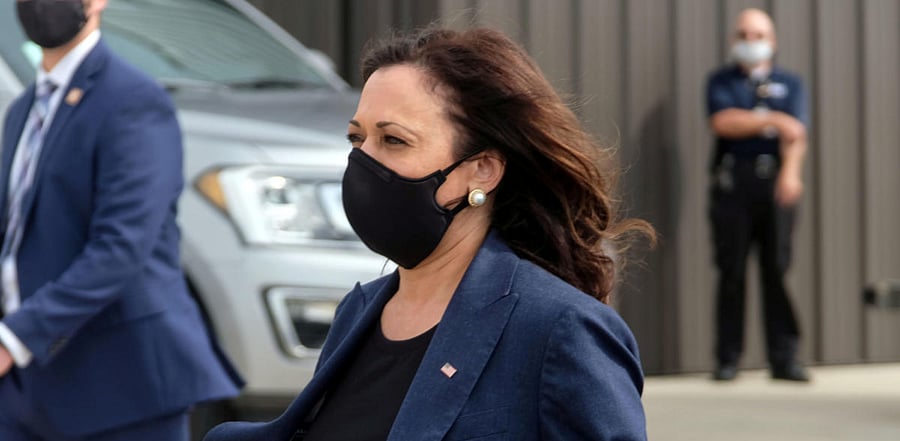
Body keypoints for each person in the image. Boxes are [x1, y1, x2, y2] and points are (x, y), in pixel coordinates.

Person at [205, 26, 653, 441]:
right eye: (356, 139)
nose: (363, 164)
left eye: (394, 141)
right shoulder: (358, 311)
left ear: (481, 170)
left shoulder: (559, 327)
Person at [0, 1, 243, 440]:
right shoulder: (21, 112)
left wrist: (14, 336)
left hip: (119, 386)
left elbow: (122, 246)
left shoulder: (133, 100)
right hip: (27, 384)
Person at [706, 8, 810, 382]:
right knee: (731, 271)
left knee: (776, 271)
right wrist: (773, 119)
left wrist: (791, 172)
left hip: (776, 184)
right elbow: (723, 122)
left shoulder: (790, 83)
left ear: (772, 40)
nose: (751, 42)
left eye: (758, 34)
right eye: (744, 35)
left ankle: (784, 358)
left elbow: (797, 135)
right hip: (734, 186)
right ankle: (727, 358)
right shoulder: (722, 81)